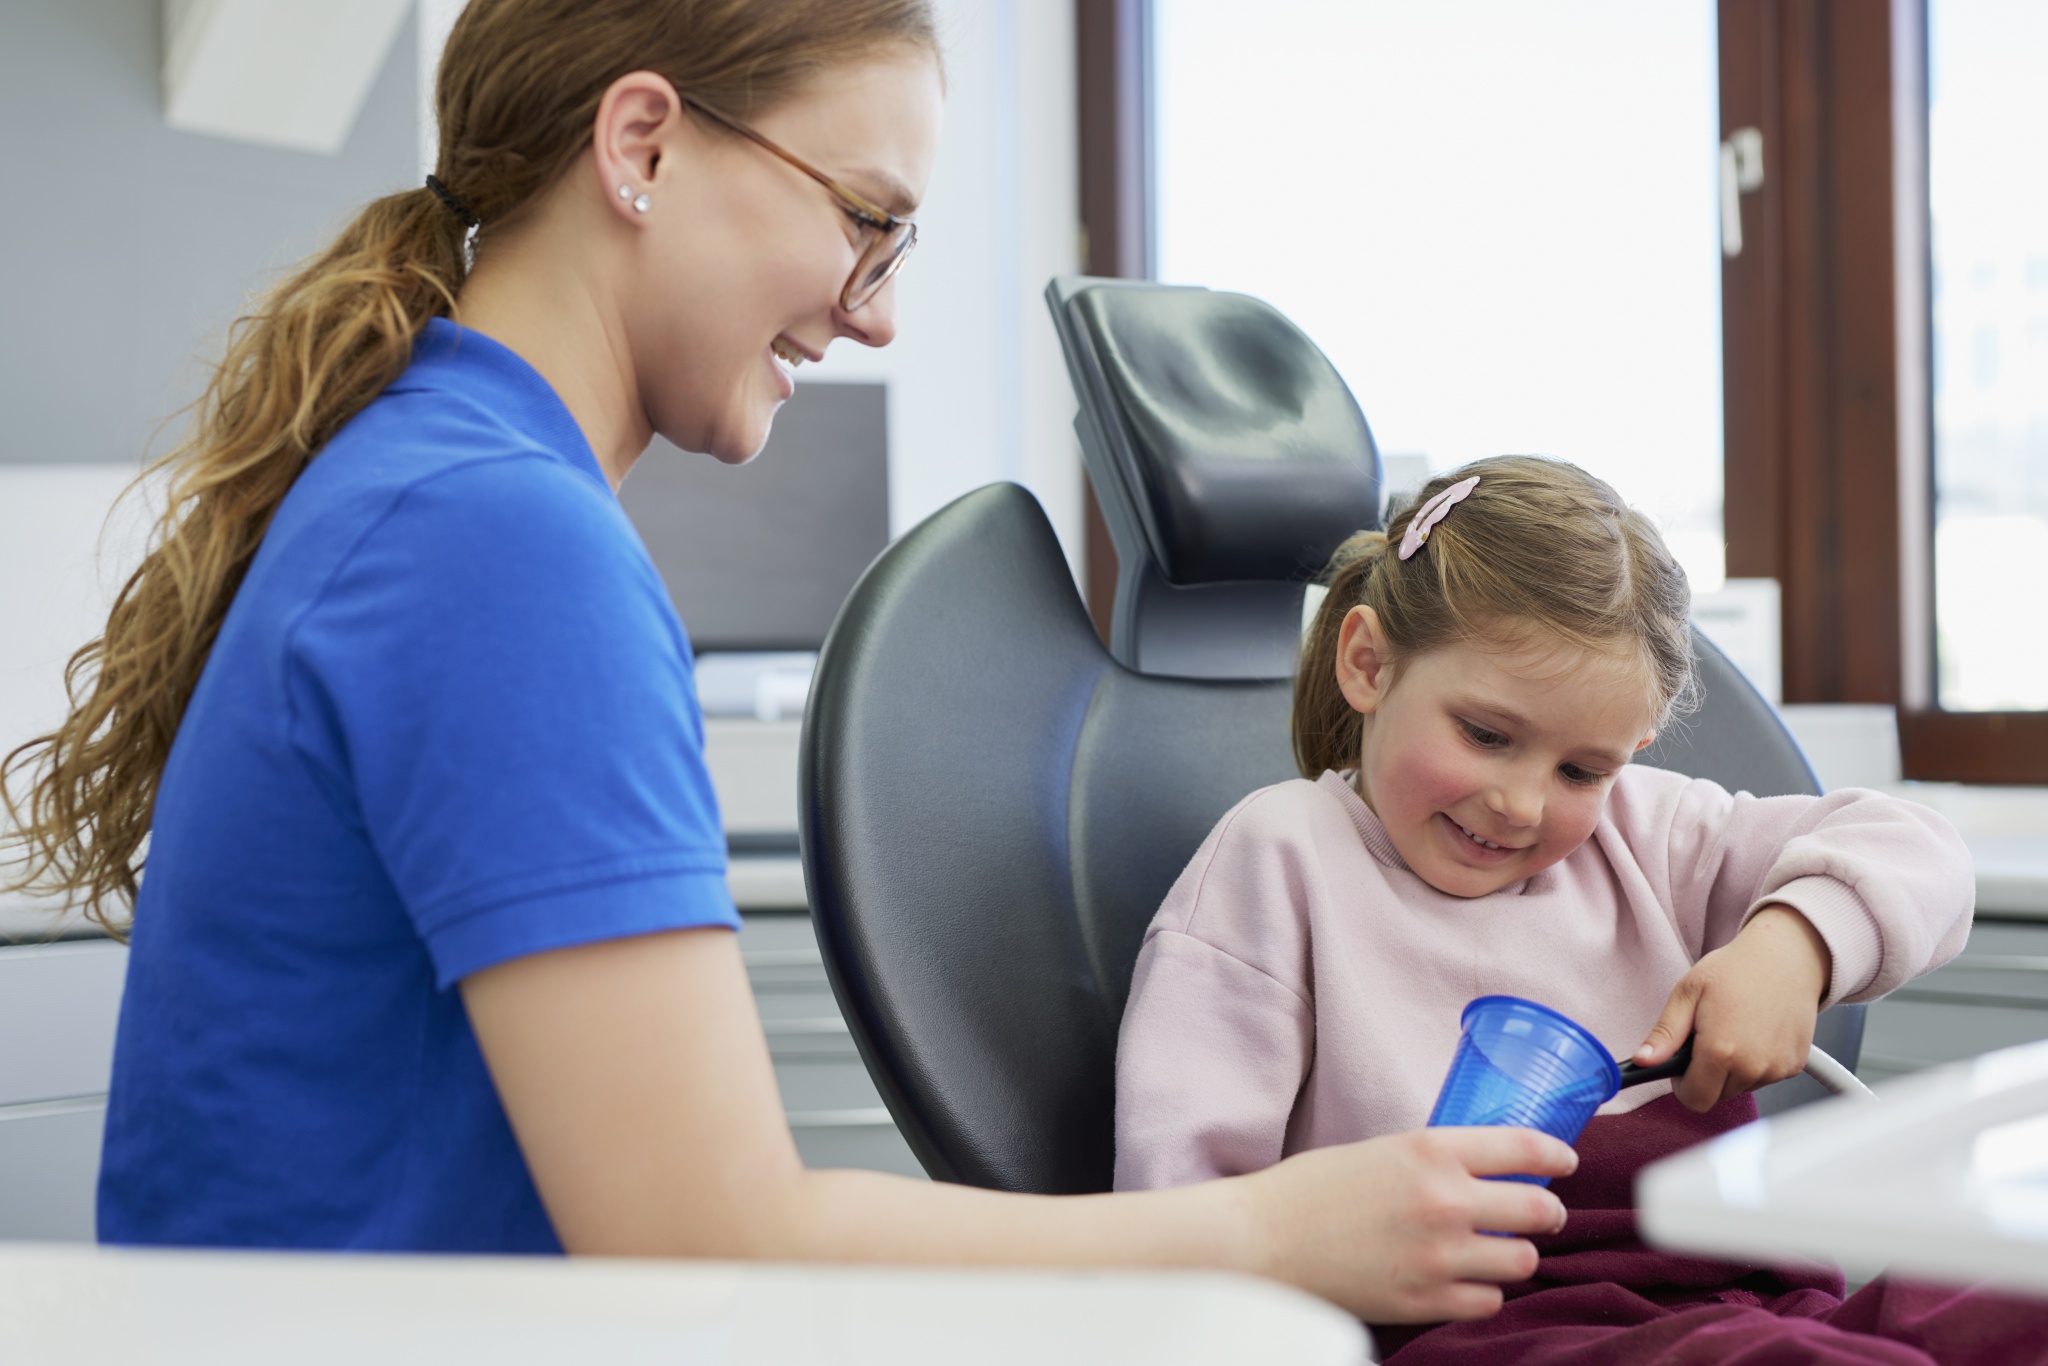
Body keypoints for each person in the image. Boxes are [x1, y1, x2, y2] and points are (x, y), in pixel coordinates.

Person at [0, 0, 1583, 1326]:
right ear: (642, 145)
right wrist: (1269, 1232)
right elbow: (706, 1229)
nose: (878, 316)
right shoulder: (498, 541)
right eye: (869, 221)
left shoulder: (434, 477)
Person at [1113, 455, 2048, 1361]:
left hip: (1746, 1298)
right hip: (1486, 1324)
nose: (1522, 803)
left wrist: (1794, 944)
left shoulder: (1646, 834)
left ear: (1630, 750)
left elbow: (1920, 851)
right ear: (1369, 664)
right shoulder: (1280, 859)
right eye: (1486, 735)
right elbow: (1183, 1216)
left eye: (1580, 769)